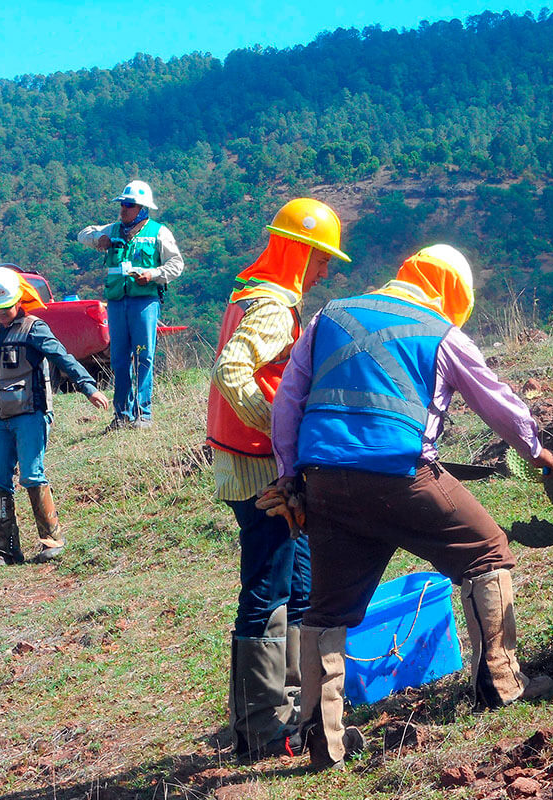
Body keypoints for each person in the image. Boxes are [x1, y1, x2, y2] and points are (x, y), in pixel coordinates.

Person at [268, 244, 553, 771]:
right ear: (451, 292)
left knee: (327, 611)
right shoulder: (442, 332)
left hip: (325, 484)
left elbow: (289, 400)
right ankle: (499, 683)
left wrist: (290, 478)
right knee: (486, 551)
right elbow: (493, 399)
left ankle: (323, 741)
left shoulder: (328, 315)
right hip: (402, 477)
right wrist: (536, 450)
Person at [205, 198, 350, 763]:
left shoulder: (250, 294)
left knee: (290, 584)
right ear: (299, 252)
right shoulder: (272, 307)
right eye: (320, 259)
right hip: (261, 467)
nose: (324, 272)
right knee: (267, 590)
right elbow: (231, 370)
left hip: (242, 461)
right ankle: (263, 727)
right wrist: (279, 429)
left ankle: (286, 707)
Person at [0, 267, 110, 567]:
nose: (0, 314)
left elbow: (63, 357)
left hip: (31, 415)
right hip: (1, 420)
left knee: (31, 474)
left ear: (19, 300)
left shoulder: (34, 328)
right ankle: (6, 548)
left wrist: (88, 387)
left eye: (6, 308)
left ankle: (52, 540)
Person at [78, 179, 184, 430]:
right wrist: (99, 239)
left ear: (142, 208)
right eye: (123, 204)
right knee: (119, 359)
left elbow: (176, 264)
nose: (123, 209)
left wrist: (153, 274)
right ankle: (122, 415)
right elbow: (83, 234)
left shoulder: (159, 232)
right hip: (116, 302)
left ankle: (143, 413)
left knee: (144, 356)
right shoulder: (113, 229)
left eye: (129, 205)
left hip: (144, 302)